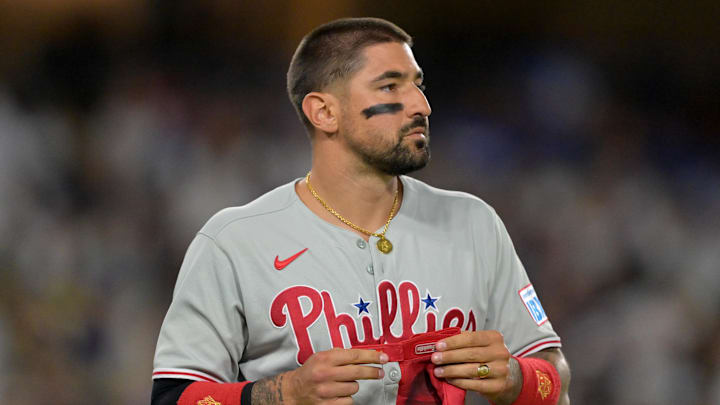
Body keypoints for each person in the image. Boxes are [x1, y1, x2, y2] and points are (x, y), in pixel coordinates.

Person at [151, 17, 571, 405]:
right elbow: (173, 397)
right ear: (324, 112)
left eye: (418, 85)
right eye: (390, 87)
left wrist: (517, 378)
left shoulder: (474, 223)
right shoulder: (234, 241)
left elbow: (557, 377)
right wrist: (283, 393)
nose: (421, 106)